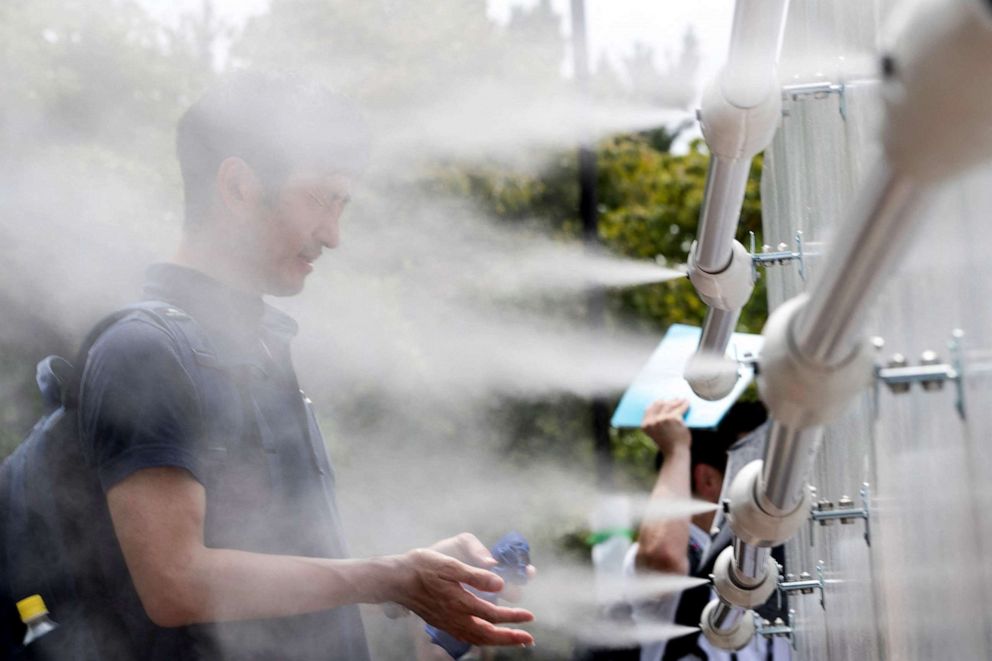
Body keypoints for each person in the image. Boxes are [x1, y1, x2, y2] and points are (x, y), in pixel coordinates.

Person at [74, 72, 534, 660]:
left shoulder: (260, 346)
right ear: (239, 186)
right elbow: (176, 583)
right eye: (320, 198)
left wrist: (413, 580)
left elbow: (272, 570)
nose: (334, 235)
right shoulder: (144, 350)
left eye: (343, 204)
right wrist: (387, 575)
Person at [627, 398, 788, 661]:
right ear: (708, 480)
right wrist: (677, 451)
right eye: (754, 469)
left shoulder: (772, 556)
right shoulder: (678, 555)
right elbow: (663, 558)